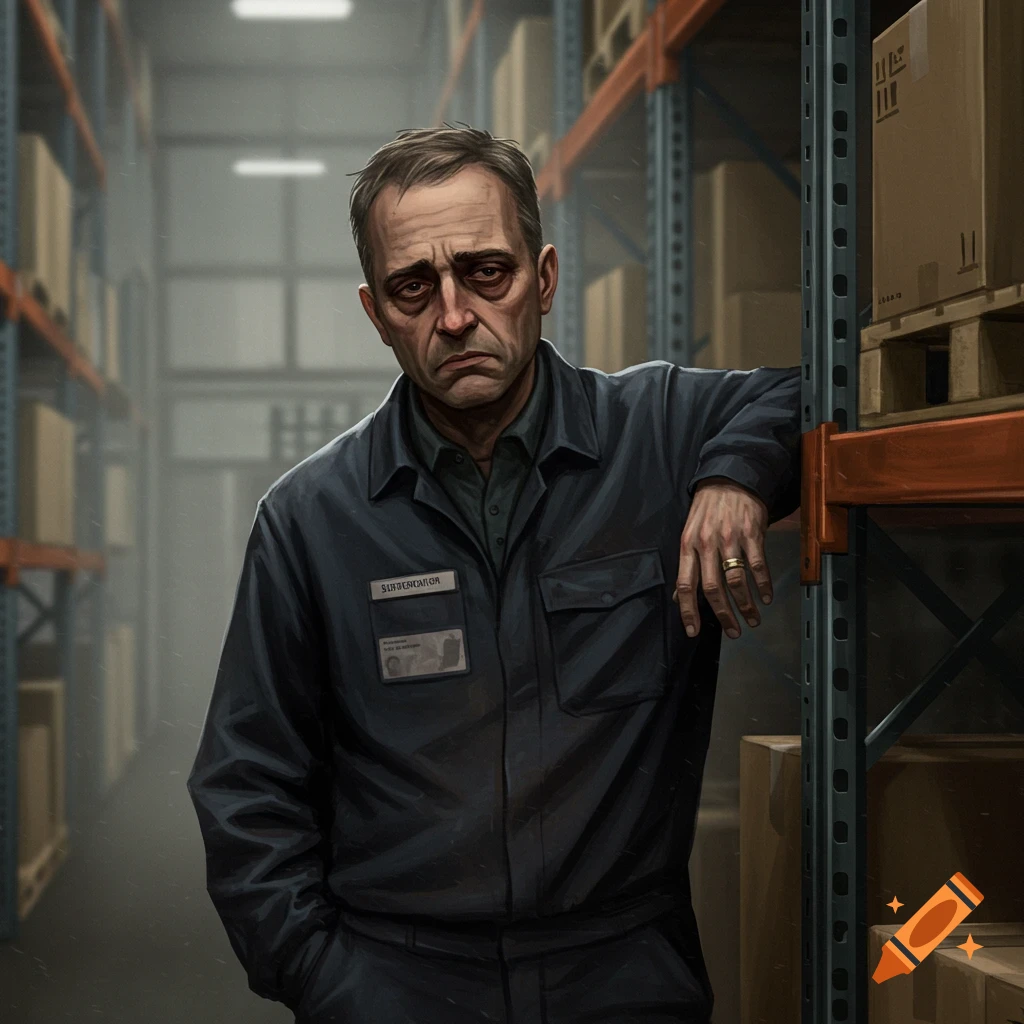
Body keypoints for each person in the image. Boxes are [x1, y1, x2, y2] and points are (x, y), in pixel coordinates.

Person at [187, 127, 802, 1024]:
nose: (452, 315)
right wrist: (323, 977)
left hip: (622, 974)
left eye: (486, 272)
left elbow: (817, 384)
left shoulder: (659, 435)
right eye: (414, 287)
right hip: (398, 979)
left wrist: (735, 472)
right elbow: (247, 785)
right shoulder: (310, 519)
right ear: (375, 312)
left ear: (543, 279)